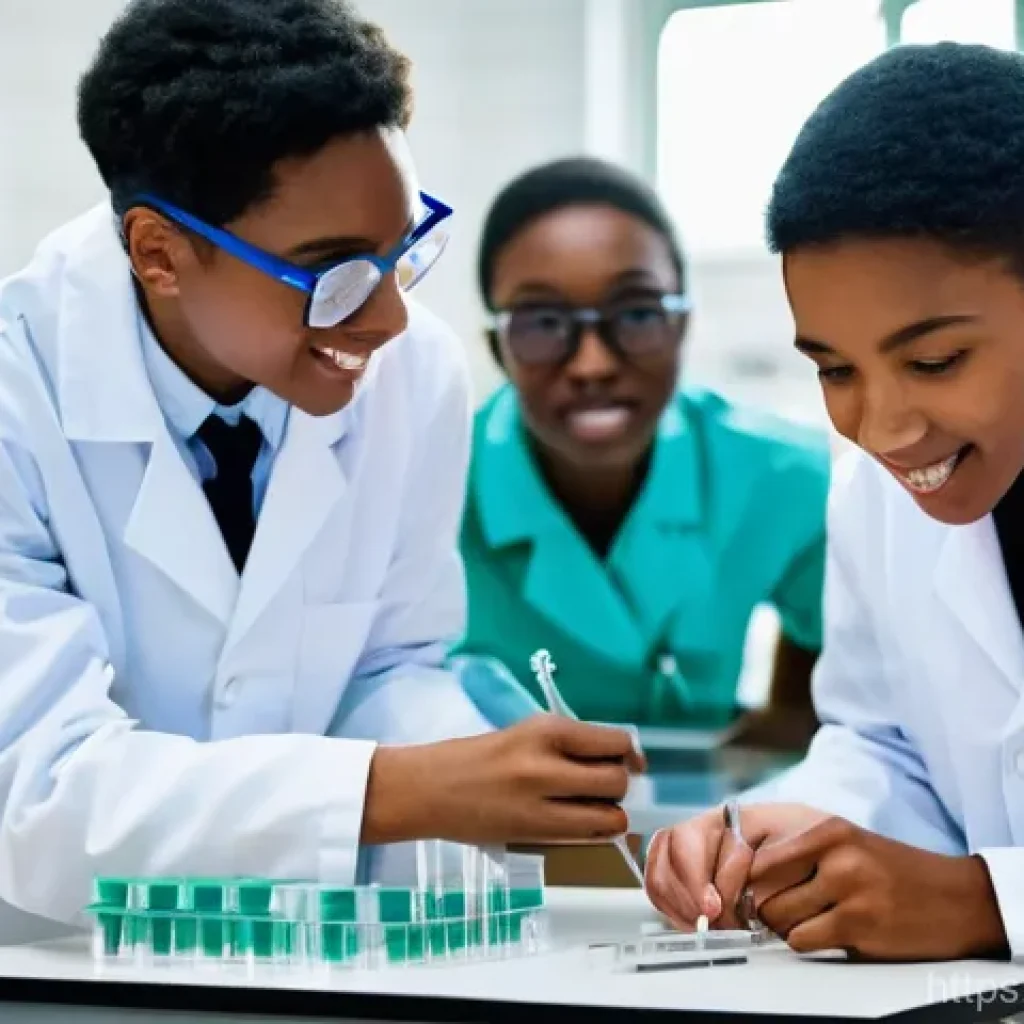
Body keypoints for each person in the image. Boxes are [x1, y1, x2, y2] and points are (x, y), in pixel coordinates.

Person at [0, 0, 643, 929]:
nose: (384, 317)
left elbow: (390, 664)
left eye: (398, 252)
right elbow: (40, 796)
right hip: (45, 956)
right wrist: (400, 790)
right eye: (334, 270)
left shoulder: (410, 372)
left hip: (308, 944)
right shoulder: (21, 392)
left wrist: (484, 771)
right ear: (159, 254)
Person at [645, 42, 1024, 965]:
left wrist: (991, 903)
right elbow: (889, 746)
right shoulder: (880, 493)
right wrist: (783, 838)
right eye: (835, 369)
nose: (884, 426)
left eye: (935, 361)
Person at [453, 157, 830, 747]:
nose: (593, 364)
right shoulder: (435, 484)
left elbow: (835, 645)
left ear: (682, 327)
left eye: (636, 314)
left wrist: (780, 722)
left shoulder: (783, 475)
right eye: (543, 322)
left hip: (704, 815)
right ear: (498, 347)